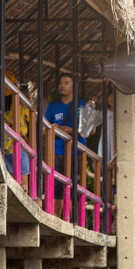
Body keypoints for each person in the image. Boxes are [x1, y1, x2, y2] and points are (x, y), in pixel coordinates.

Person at [44, 73, 89, 216]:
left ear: (74, 86)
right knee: (56, 186)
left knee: (74, 187)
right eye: (60, 83)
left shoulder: (82, 105)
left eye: (66, 82)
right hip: (57, 152)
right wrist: (53, 129)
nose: (62, 85)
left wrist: (73, 131)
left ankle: (71, 219)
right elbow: (44, 129)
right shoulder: (53, 106)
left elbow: (90, 130)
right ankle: (56, 217)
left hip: (75, 152)